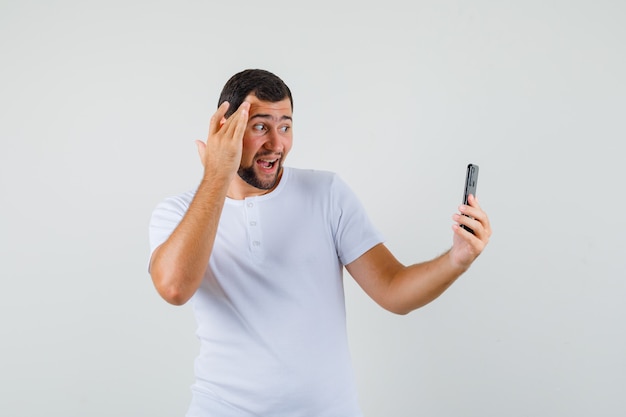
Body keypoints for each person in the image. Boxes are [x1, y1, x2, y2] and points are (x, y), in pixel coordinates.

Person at [148, 69, 492, 417]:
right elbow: (174, 288)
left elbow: (393, 290)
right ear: (225, 129)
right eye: (260, 126)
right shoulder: (178, 212)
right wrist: (217, 175)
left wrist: (457, 258)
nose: (276, 144)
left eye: (285, 126)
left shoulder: (327, 194)